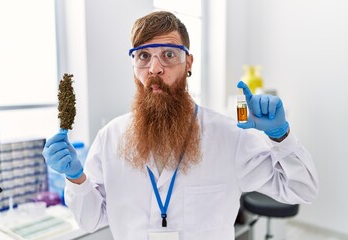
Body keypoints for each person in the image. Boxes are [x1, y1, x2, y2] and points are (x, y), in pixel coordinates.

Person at [42, 11, 318, 240]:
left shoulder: (229, 136)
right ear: (134, 65)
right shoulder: (110, 137)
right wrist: (76, 179)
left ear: (188, 62)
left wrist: (281, 136)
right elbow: (90, 221)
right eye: (143, 56)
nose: (155, 69)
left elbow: (302, 190)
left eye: (169, 55)